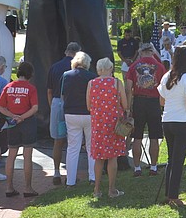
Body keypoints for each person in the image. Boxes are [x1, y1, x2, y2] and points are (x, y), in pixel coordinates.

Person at [157, 46, 186, 207]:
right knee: (178, 161)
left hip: (167, 120)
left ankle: (169, 194)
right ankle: (174, 197)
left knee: (171, 159)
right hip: (182, 122)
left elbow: (162, 101)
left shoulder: (167, 76)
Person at [86, 58, 128, 198]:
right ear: (110, 68)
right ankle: (111, 189)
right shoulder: (117, 83)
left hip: (98, 124)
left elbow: (88, 106)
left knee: (99, 158)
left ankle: (97, 190)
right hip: (114, 123)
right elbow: (125, 104)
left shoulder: (91, 84)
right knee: (112, 157)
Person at [0, 61, 40, 198]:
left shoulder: (8, 87)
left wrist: (13, 116)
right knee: (27, 156)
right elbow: (35, 108)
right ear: (31, 74)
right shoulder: (31, 88)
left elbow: (0, 106)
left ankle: (9, 187)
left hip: (12, 123)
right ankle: (28, 188)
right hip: (27, 123)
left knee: (12, 155)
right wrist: (22, 117)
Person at [124, 42, 166, 177]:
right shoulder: (159, 66)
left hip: (139, 102)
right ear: (152, 52)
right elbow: (164, 87)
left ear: (140, 52)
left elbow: (128, 88)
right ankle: (153, 167)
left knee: (137, 136)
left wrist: (128, 107)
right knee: (154, 136)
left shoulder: (133, 67)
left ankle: (137, 168)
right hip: (154, 102)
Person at [62, 52, 97, 186]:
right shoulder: (92, 77)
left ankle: (70, 181)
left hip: (71, 113)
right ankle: (92, 177)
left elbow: (63, 95)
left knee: (72, 148)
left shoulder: (66, 75)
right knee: (90, 147)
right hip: (89, 114)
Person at [47, 42, 79, 184]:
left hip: (56, 103)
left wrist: (53, 105)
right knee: (73, 141)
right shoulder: (77, 68)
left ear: (66, 51)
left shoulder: (54, 67)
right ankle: (71, 174)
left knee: (58, 140)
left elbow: (49, 90)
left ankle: (56, 173)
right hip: (72, 104)